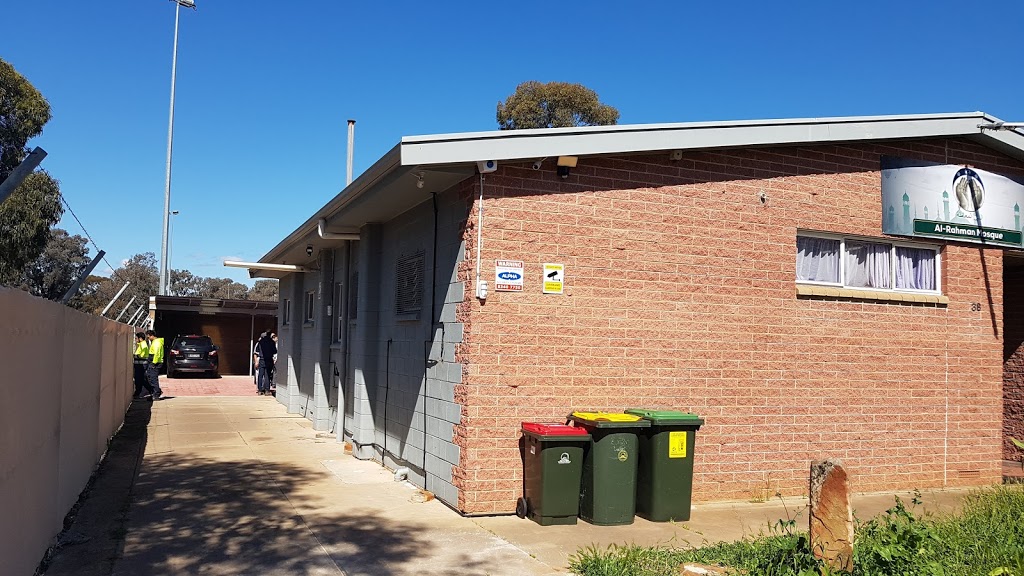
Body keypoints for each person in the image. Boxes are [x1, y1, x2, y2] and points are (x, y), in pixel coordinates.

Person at [132, 332, 155, 399]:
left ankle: (150, 390)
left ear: (140, 338)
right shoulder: (141, 344)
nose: (136, 340)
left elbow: (141, 355)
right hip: (139, 364)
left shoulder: (143, 345)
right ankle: (141, 391)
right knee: (140, 379)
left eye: (136, 338)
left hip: (141, 364)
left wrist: (135, 355)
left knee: (141, 379)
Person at [145, 330, 165, 400]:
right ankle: (155, 392)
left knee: (153, 378)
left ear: (151, 335)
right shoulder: (155, 342)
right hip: (154, 362)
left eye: (148, 337)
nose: (148, 339)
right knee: (150, 377)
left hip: (155, 363)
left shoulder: (157, 343)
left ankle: (156, 393)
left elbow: (157, 354)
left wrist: (154, 363)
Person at [255, 331, 277, 396]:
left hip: (262, 359)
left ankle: (260, 390)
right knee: (267, 374)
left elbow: (257, 350)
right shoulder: (271, 342)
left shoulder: (260, 342)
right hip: (269, 359)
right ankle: (267, 390)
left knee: (260, 375)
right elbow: (275, 351)